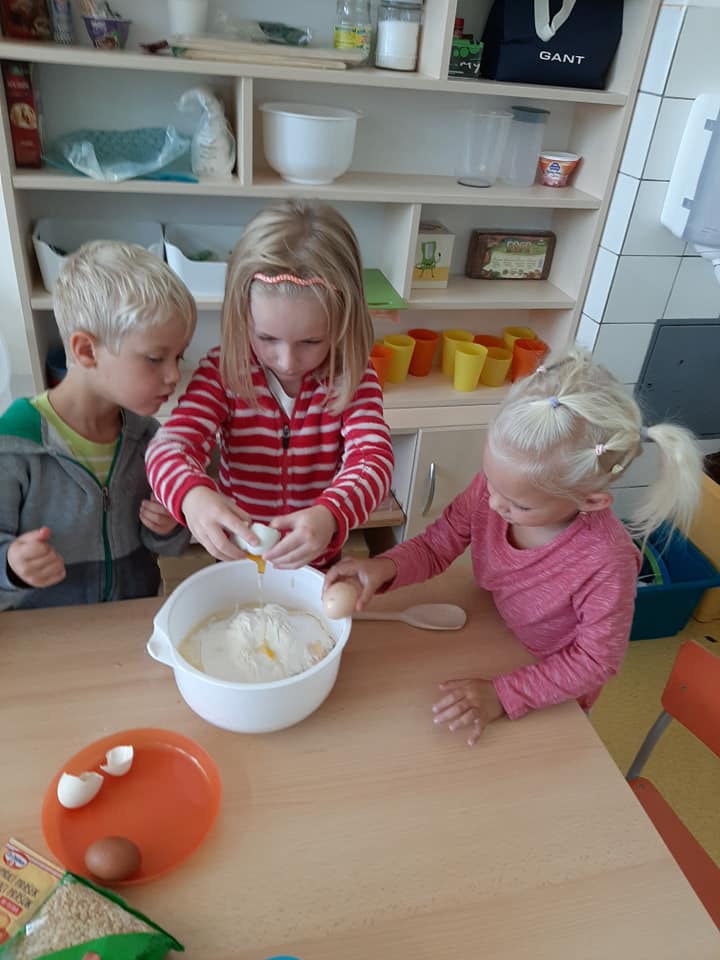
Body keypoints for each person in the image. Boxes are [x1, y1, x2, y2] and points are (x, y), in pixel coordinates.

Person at [325, 348, 703, 744]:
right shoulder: (499, 491)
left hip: (552, 683)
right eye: (490, 481)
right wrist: (384, 567)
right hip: (500, 632)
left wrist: (503, 694)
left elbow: (596, 660)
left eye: (518, 505)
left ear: (590, 501)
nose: (492, 503)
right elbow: (438, 545)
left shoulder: (607, 561)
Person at [146, 200, 394, 570]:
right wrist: (191, 496)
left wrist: (331, 514)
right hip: (238, 560)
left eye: (311, 341)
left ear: (343, 321)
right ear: (242, 316)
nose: (287, 361)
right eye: (267, 338)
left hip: (314, 559)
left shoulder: (352, 376)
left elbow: (373, 460)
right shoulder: (224, 372)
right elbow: (169, 448)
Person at [0, 241, 197, 611]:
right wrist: (11, 566)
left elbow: (168, 545)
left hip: (129, 619)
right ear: (86, 351)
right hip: (43, 630)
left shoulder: (150, 440)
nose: (174, 375)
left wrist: (169, 526)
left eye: (178, 357)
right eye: (155, 358)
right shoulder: (14, 445)